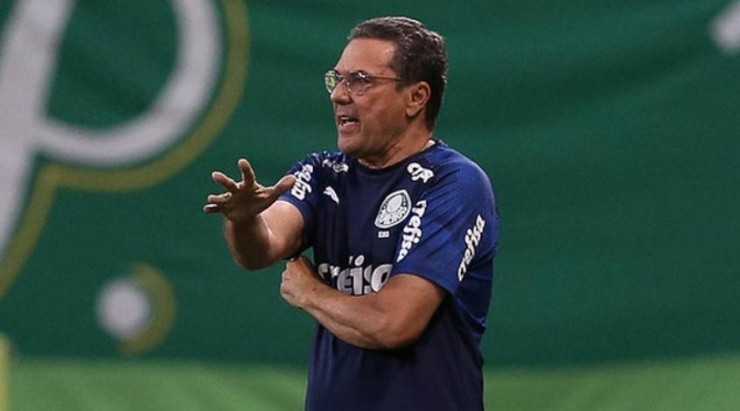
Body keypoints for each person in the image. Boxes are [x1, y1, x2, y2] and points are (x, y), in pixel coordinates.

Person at [204, 16, 499, 411]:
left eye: (360, 81)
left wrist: (310, 292)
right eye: (337, 79)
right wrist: (244, 220)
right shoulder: (322, 173)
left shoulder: (454, 183)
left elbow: (395, 323)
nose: (339, 95)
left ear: (416, 97)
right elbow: (262, 248)